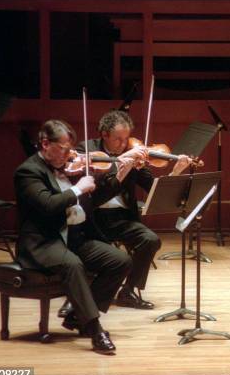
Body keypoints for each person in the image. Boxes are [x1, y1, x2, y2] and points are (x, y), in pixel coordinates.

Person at [57, 110, 190, 317]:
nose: (123, 144)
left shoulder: (134, 153)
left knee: (150, 240)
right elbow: (96, 196)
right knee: (92, 253)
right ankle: (76, 297)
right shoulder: (86, 151)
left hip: (122, 218)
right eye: (118, 139)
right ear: (104, 135)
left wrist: (176, 172)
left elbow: (153, 188)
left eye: (126, 138)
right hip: (92, 219)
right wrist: (121, 165)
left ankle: (128, 291)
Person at [14, 120, 132, 353]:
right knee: (73, 264)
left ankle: (78, 317)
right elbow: (48, 205)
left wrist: (119, 174)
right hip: (44, 241)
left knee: (120, 261)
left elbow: (94, 200)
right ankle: (95, 330)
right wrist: (78, 188)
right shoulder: (28, 171)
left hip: (75, 238)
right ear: (45, 144)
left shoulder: (71, 168)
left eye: (71, 149)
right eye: (64, 149)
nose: (70, 155)